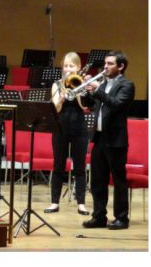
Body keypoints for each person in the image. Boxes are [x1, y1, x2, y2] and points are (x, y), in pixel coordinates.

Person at [81, 51, 135, 230]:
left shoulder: (126, 85)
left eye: (110, 64)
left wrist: (97, 90)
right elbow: (89, 104)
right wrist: (86, 91)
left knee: (119, 181)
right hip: (99, 138)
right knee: (97, 181)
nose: (105, 67)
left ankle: (121, 218)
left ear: (121, 66)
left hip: (116, 140)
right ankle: (99, 217)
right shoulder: (102, 84)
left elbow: (117, 104)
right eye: (105, 63)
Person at [44, 52, 90, 216]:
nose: (68, 69)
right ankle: (54, 202)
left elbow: (84, 107)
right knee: (58, 165)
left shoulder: (82, 84)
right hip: (61, 128)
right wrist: (62, 98)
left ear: (78, 67)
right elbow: (55, 109)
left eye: (71, 66)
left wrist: (78, 89)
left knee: (80, 167)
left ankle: (81, 204)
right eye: (65, 66)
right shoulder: (57, 84)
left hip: (79, 129)